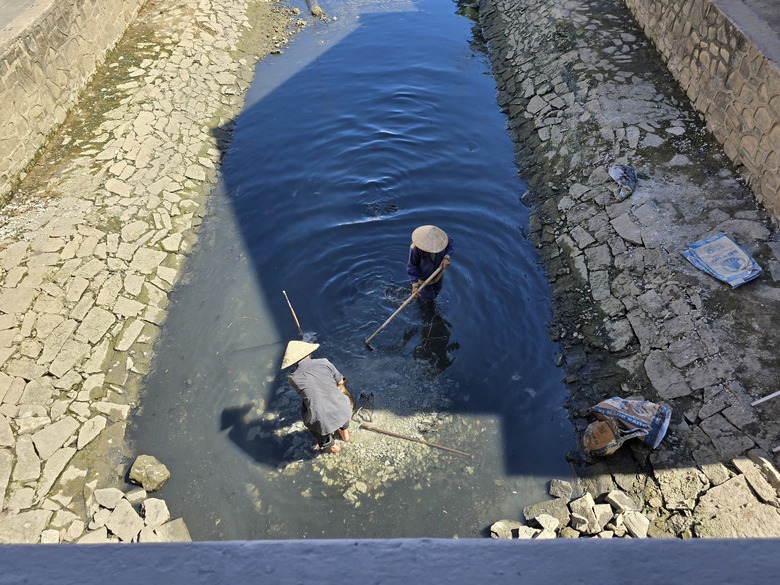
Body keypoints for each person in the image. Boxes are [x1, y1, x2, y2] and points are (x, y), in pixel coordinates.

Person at [282, 340, 353, 454]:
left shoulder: (292, 378)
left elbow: (309, 392)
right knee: (337, 402)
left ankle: (333, 448)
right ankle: (345, 435)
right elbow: (340, 382)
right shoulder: (324, 362)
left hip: (321, 421)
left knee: (309, 411)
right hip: (343, 409)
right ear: (308, 353)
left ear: (293, 362)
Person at [407, 225, 454, 302]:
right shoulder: (415, 249)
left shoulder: (443, 239)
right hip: (424, 279)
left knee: (437, 291)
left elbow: (450, 244)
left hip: (438, 273)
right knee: (428, 298)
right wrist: (415, 285)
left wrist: (447, 257)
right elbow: (412, 266)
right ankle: (421, 300)